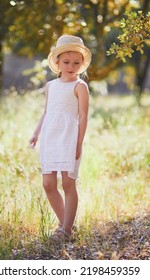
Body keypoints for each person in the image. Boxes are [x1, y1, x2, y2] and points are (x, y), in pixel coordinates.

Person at [29, 35, 91, 242]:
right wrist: (36, 134)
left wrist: (79, 143)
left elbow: (83, 116)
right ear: (57, 62)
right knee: (48, 184)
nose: (71, 67)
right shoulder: (51, 86)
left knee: (67, 183)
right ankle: (67, 226)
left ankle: (65, 230)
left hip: (69, 138)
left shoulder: (80, 86)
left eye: (76, 63)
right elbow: (47, 112)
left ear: (82, 63)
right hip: (50, 138)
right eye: (66, 62)